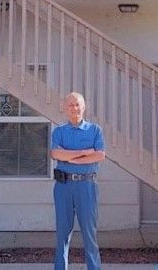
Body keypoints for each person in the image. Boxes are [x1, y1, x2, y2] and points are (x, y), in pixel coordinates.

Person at [50, 92, 105, 270]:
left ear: (84, 107)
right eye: (71, 105)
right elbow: (55, 153)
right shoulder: (59, 131)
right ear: (65, 108)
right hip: (63, 187)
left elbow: (99, 155)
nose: (74, 108)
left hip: (87, 186)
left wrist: (70, 157)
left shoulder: (95, 130)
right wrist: (83, 152)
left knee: (90, 234)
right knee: (62, 234)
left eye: (77, 104)